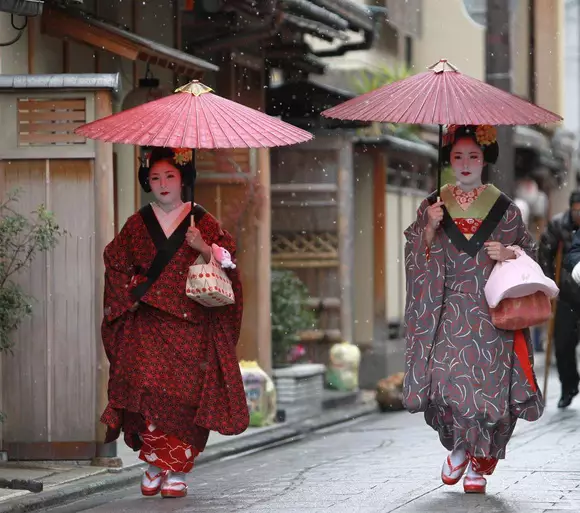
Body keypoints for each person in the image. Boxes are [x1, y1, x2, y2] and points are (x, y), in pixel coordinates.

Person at [100, 147, 249, 499]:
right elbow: (115, 261)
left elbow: (229, 263)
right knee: (148, 392)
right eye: (155, 178)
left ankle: (176, 469)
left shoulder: (203, 220)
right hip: (148, 323)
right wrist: (130, 295)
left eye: (170, 176)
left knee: (185, 400)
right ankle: (155, 465)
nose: (163, 184)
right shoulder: (137, 223)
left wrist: (203, 248)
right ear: (146, 182)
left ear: (184, 179)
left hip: (190, 324)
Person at [403, 125, 544, 495]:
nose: (465, 164)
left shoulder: (505, 209)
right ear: (448, 161)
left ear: (485, 160)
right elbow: (416, 258)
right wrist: (429, 232)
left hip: (490, 309)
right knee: (445, 380)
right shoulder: (433, 205)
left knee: (489, 389)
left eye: (473, 157)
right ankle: (461, 446)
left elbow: (531, 251)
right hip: (448, 307)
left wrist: (510, 253)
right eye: (458, 157)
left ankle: (477, 460)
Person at [550, 193, 580, 408]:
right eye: (577, 209)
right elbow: (545, 257)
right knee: (563, 346)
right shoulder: (558, 225)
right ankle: (568, 386)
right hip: (565, 295)